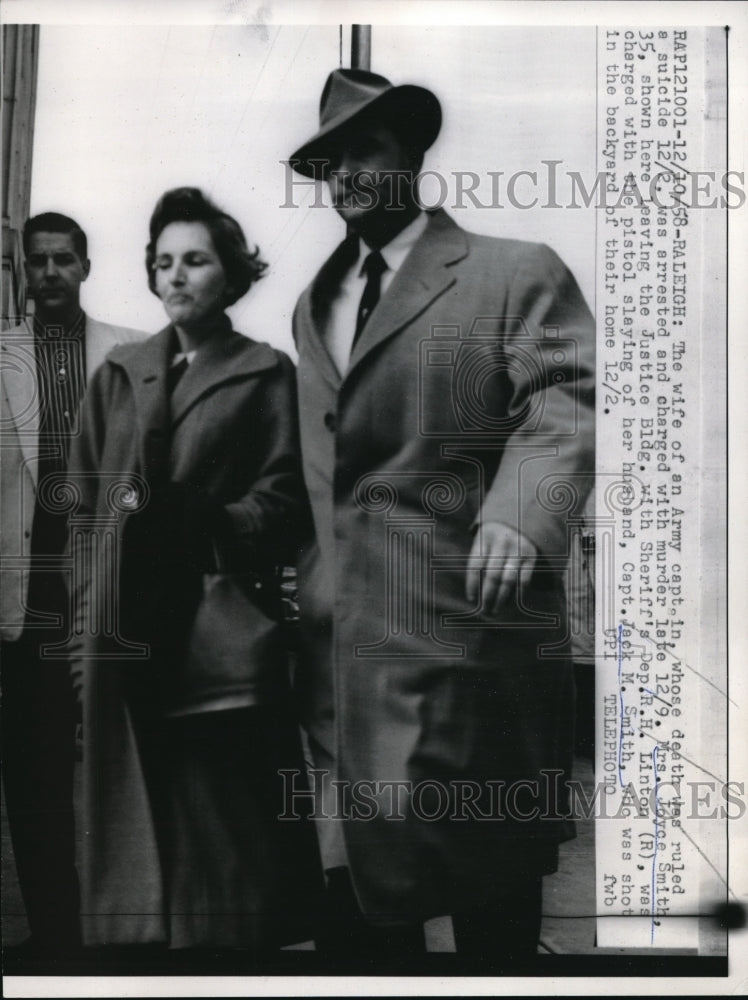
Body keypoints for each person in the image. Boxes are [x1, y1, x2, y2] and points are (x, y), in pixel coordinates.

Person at [288, 69, 595, 964]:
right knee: (365, 928)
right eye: (329, 160)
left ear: (413, 155)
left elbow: (566, 398)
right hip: (347, 667)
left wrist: (521, 512)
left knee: (492, 919)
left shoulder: (512, 271)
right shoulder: (316, 304)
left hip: (474, 655)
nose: (345, 174)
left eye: (365, 151)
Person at [65, 187, 322, 951]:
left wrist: (208, 530)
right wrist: (85, 636)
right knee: (140, 831)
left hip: (212, 637)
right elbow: (81, 516)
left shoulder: (265, 373)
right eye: (163, 262)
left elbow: (283, 499)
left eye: (196, 261)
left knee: (222, 838)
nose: (176, 276)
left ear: (233, 275)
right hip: (123, 630)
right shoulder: (119, 374)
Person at [0, 212, 144, 952]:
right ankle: (55, 932)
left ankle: (122, 927)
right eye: (38, 261)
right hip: (25, 594)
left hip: (104, 586)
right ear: (23, 269)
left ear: (86, 266)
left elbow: (147, 473)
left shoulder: (129, 354)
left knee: (118, 773)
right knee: (34, 769)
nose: (50, 273)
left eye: (64, 260)